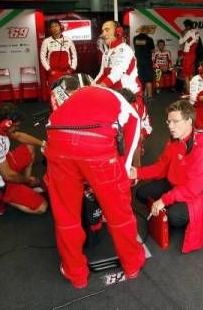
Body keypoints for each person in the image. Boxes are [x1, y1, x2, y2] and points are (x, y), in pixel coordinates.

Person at [45, 85, 146, 288]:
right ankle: (132, 264)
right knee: (120, 213)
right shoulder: (128, 108)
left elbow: (53, 124)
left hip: (56, 142)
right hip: (96, 147)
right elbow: (130, 149)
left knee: (66, 216)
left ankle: (76, 275)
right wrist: (119, 179)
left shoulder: (84, 92)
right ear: (132, 101)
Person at [131, 100, 203, 253]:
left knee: (174, 216)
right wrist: (137, 172)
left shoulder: (202, 150)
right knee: (140, 193)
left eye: (175, 121)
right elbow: (161, 166)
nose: (170, 126)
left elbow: (192, 189)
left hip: (198, 195)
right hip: (176, 184)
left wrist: (164, 200)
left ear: (189, 121)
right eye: (168, 121)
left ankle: (174, 210)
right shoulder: (173, 141)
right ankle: (170, 204)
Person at [0, 103, 48, 216]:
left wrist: (44, 144)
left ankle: (24, 185)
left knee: (29, 148)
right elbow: (8, 175)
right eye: (16, 126)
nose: (17, 128)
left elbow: (19, 136)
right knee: (42, 207)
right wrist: (27, 179)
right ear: (6, 124)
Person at [95, 20, 141, 95]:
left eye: (107, 30)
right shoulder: (106, 53)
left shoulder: (125, 49)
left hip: (130, 96)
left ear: (118, 32)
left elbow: (117, 73)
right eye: (102, 31)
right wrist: (92, 85)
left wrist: (98, 87)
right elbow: (101, 73)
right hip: (115, 94)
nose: (103, 34)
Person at [40, 19, 78, 88]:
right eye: (52, 27)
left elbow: (74, 55)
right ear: (50, 29)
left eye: (56, 26)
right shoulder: (46, 41)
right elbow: (42, 57)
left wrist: (72, 69)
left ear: (60, 27)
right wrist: (50, 70)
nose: (54, 28)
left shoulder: (68, 40)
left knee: (68, 93)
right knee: (54, 94)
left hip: (66, 72)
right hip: (53, 74)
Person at [179, 19, 200, 94]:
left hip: (188, 56)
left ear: (188, 26)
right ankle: (193, 91)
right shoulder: (197, 31)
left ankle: (189, 93)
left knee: (185, 75)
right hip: (192, 54)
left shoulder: (188, 32)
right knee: (190, 74)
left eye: (185, 26)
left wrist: (182, 35)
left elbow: (181, 41)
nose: (184, 28)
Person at [133, 32, 155, 99]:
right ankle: (149, 96)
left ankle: (140, 95)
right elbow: (153, 50)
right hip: (147, 61)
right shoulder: (149, 39)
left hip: (138, 61)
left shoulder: (135, 38)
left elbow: (136, 48)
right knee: (148, 79)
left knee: (140, 79)